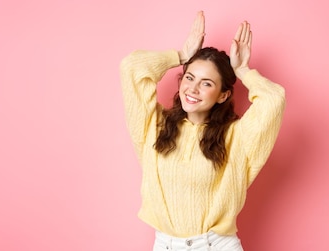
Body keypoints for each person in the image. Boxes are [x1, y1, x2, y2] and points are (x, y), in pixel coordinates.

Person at [120, 11, 285, 251]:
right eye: (189, 77)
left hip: (215, 245)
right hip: (165, 245)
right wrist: (180, 55)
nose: (193, 89)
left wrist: (242, 71)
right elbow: (131, 67)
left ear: (223, 95)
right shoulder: (154, 126)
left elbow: (274, 99)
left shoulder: (236, 137)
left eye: (206, 83)